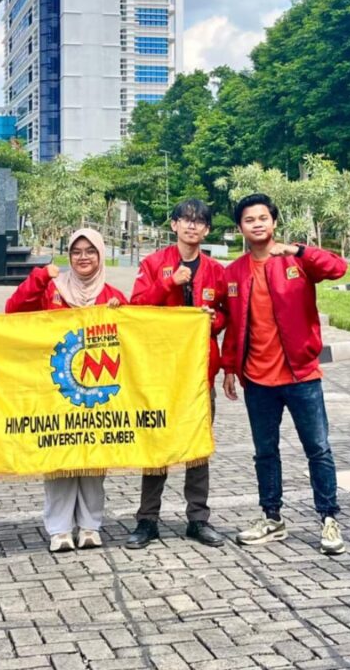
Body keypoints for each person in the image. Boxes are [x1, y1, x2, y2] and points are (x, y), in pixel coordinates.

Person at [221, 193, 348, 555]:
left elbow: (338, 268)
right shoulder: (235, 272)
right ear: (240, 228)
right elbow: (233, 324)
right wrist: (229, 367)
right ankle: (272, 518)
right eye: (249, 220)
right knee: (265, 452)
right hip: (257, 379)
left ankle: (328, 519)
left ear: (274, 222)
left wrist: (300, 251)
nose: (257, 224)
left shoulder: (296, 260)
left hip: (301, 375)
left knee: (318, 449)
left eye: (263, 218)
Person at [5, 228, 128, 553]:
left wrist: (121, 314)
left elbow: (130, 339)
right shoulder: (52, 289)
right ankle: (59, 530)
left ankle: (90, 526)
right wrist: (39, 278)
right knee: (59, 458)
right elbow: (13, 311)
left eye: (90, 251)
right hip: (56, 389)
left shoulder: (112, 294)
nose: (83, 257)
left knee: (93, 460)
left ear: (100, 255)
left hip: (97, 391)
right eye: (76, 252)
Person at [125, 199, 228, 549]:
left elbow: (226, 314)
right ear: (174, 225)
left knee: (198, 446)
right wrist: (169, 283)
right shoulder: (154, 264)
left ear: (207, 230)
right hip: (161, 373)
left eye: (199, 221)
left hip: (199, 373)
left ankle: (198, 519)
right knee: (157, 444)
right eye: (185, 219)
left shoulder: (215, 270)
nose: (192, 226)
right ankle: (147, 520)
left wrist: (215, 320)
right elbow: (137, 307)